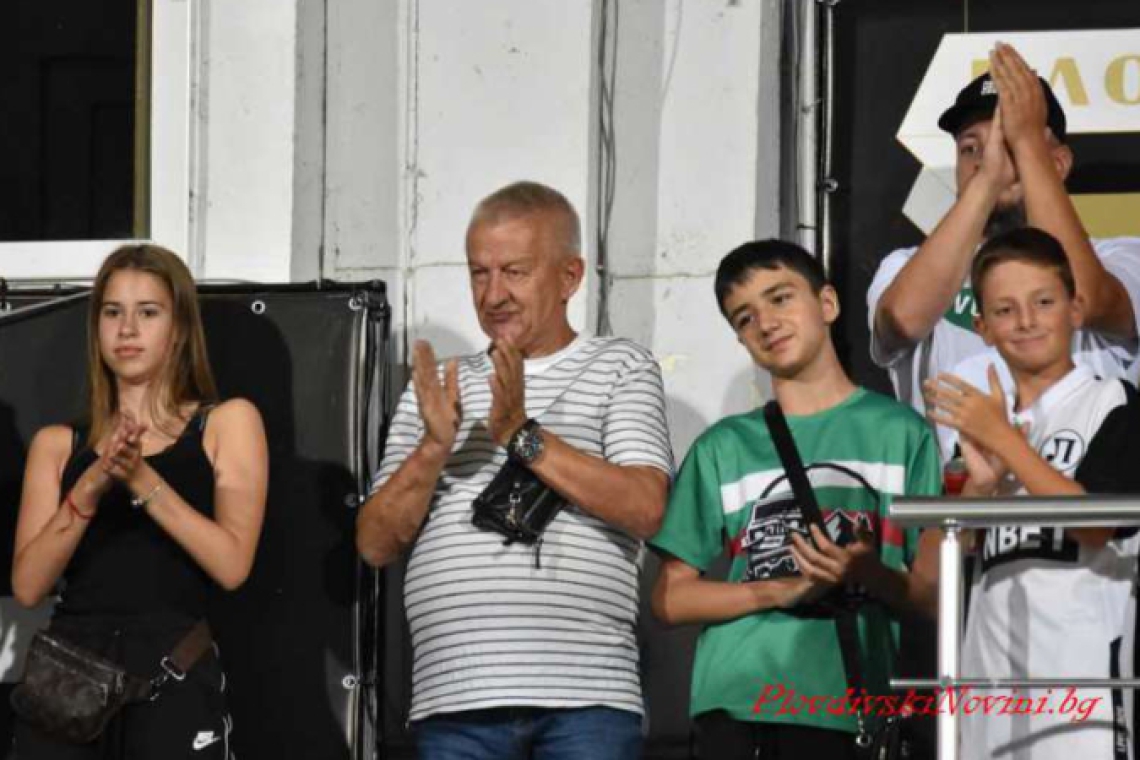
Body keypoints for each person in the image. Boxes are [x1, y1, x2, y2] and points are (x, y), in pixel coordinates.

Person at [356, 181, 673, 760]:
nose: (493, 294)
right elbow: (375, 544)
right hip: (453, 701)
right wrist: (433, 447)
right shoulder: (439, 386)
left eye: (515, 272)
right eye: (479, 273)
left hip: (587, 698)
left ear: (570, 277)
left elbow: (647, 507)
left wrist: (519, 435)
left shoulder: (620, 366)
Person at [650, 240, 942, 759]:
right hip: (738, 701)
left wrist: (867, 573)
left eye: (780, 298)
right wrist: (782, 591)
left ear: (827, 303)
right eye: (745, 317)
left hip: (851, 702)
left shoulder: (902, 433)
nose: (766, 323)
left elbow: (932, 595)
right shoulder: (724, 446)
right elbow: (671, 598)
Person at [11, 244, 268, 758]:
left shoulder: (225, 423)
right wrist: (88, 488)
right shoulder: (57, 445)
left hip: (173, 676)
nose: (127, 329)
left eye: (147, 312)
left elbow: (232, 564)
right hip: (69, 685)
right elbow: (28, 586)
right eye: (113, 313)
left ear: (179, 327)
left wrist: (140, 477)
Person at [925, 226, 1140, 760]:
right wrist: (979, 488)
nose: (1025, 321)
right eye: (1005, 310)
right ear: (982, 328)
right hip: (988, 703)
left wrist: (1004, 441)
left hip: (1083, 703)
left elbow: (1098, 524)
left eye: (1043, 302)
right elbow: (934, 575)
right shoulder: (982, 431)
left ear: (1075, 308)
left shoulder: (1113, 402)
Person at [868, 42, 1140, 457]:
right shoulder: (906, 266)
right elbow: (900, 323)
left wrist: (1026, 142)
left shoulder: (1120, 258)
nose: (989, 157)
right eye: (970, 149)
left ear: (1057, 163)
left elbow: (1083, 298)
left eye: (1007, 143)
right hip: (958, 494)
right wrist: (989, 180)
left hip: (1086, 493)